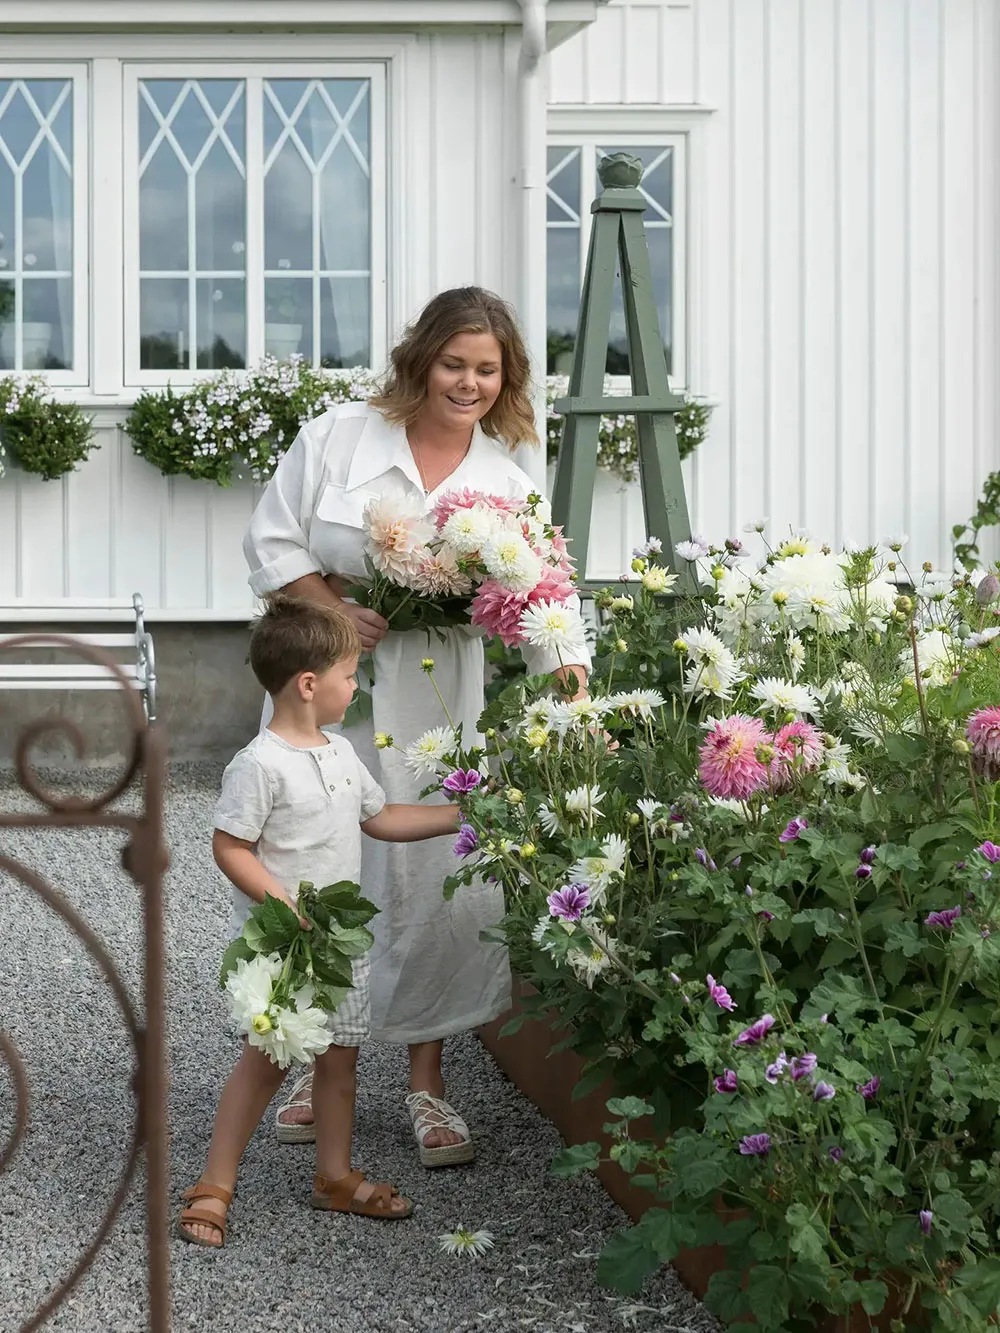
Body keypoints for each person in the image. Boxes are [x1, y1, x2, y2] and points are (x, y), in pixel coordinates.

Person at [243, 287, 591, 1165]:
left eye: (486, 369)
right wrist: (334, 608)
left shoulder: (505, 483)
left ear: (503, 377)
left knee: (434, 881)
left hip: (440, 700)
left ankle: (428, 1085)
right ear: (420, 359)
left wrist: (574, 685)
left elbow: (545, 595)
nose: (467, 383)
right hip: (331, 689)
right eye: (453, 363)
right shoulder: (339, 436)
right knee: (324, 866)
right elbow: (272, 542)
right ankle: (314, 1059)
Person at [176, 593, 461, 1247]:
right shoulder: (259, 764)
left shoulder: (337, 753)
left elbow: (380, 817)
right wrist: (283, 903)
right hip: (287, 945)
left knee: (340, 1059)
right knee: (267, 1061)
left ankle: (333, 1175)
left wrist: (457, 814)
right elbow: (229, 845)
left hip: (340, 943)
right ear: (309, 684)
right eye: (348, 674)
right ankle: (215, 1182)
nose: (353, 685)